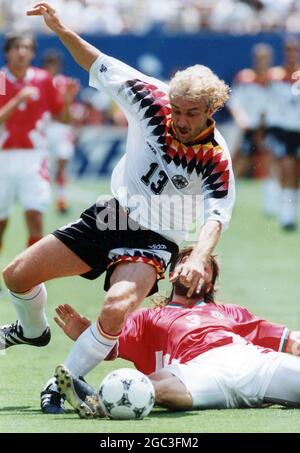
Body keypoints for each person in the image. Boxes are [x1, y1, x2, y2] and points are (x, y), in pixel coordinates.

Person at [1, 2, 235, 395]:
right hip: (112, 216)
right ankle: (31, 331)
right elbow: (94, 61)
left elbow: (216, 216)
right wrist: (60, 30)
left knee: (116, 307)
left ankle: (61, 387)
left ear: (211, 109)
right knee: (16, 275)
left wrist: (196, 257)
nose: (179, 119)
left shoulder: (216, 155)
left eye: (191, 113)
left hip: (158, 235)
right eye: (176, 110)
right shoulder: (151, 99)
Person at [41, 247, 300, 417]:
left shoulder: (231, 312)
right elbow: (108, 345)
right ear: (172, 274)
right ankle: (95, 401)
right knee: (147, 388)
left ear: (209, 282)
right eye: (188, 263)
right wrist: (85, 334)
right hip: (197, 370)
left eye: (204, 267)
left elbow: (291, 341)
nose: (195, 269)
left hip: (253, 362)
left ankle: (99, 398)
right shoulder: (147, 317)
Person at [0, 33, 65, 293]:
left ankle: (30, 277)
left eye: (27, 47)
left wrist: (68, 102)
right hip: (4, 158)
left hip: (35, 157)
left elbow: (61, 115)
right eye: (17, 47)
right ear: (7, 52)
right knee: (1, 222)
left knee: (35, 216)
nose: (22, 52)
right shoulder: (2, 80)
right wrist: (19, 99)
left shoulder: (43, 79)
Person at [228, 43, 279, 217]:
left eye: (265, 58)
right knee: (240, 164)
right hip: (249, 128)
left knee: (270, 163)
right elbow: (235, 102)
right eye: (259, 58)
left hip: (268, 128)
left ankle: (271, 206)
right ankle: (227, 200)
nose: (262, 62)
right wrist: (242, 120)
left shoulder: (275, 80)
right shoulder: (245, 78)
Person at [266, 37, 300, 231]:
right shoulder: (275, 76)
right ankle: (286, 217)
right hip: (282, 130)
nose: (291, 53)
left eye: (294, 50)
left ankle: (290, 211)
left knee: (296, 173)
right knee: (286, 168)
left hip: (298, 129)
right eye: (288, 50)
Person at [42, 50, 80, 214]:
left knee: (62, 163)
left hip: (61, 128)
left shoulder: (65, 82)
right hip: (45, 127)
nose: (52, 67)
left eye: (55, 63)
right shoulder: (39, 81)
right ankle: (42, 197)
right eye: (49, 63)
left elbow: (70, 110)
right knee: (44, 166)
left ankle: (61, 198)